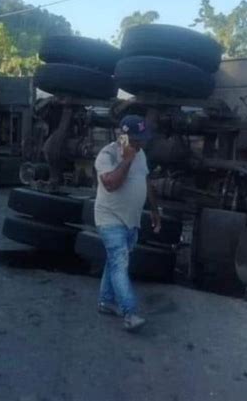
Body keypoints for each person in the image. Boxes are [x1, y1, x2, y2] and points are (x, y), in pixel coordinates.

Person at [94, 115, 160, 332]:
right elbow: (111, 184)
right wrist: (127, 159)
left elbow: (146, 180)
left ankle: (105, 301)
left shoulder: (140, 154)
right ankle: (129, 313)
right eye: (135, 139)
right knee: (120, 263)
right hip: (109, 218)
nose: (140, 144)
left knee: (114, 262)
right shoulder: (107, 154)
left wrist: (154, 209)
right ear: (121, 136)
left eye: (142, 139)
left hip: (131, 220)